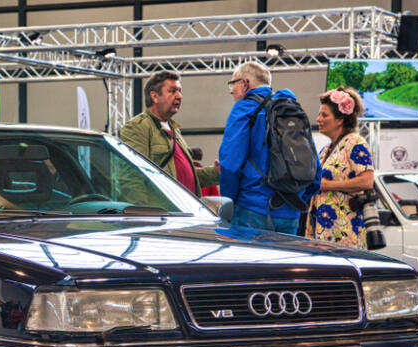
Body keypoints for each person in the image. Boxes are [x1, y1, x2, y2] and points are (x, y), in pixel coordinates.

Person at [218, 61, 320, 234]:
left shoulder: (244, 109)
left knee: (246, 261)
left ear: (245, 83)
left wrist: (229, 202)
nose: (231, 90)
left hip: (252, 209)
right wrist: (297, 197)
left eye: (233, 83)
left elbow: (230, 164)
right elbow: (314, 168)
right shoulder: (291, 109)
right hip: (291, 212)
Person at [119, 71, 219, 199]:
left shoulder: (174, 130)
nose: (179, 96)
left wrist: (215, 173)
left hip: (185, 211)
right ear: (154, 96)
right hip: (163, 215)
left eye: (180, 91)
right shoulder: (138, 127)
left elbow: (186, 176)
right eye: (172, 91)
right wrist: (144, 216)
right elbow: (131, 179)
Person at [304, 86, 374, 248]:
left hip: (344, 232)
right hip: (323, 233)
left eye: (324, 115)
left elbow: (367, 181)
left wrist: (328, 185)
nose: (318, 119)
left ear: (340, 119)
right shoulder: (326, 150)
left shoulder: (355, 142)